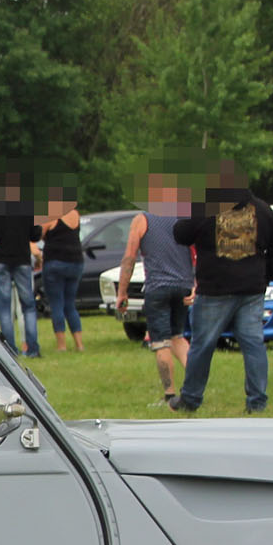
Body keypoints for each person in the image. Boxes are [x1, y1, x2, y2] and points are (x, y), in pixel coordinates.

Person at [169, 162, 273, 414]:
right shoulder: (262, 210)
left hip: (215, 290)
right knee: (253, 344)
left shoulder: (207, 210)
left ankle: (190, 399)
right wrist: (267, 276)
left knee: (202, 344)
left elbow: (180, 233)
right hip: (252, 289)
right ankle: (257, 402)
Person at [116, 173, 195, 406]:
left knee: (161, 342)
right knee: (179, 338)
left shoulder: (143, 219)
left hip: (158, 287)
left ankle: (170, 395)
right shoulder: (185, 218)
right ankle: (194, 388)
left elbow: (129, 257)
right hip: (183, 286)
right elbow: (196, 253)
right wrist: (195, 283)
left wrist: (122, 292)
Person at [0, 175, 42, 354]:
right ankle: (32, 348)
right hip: (22, 259)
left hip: (1, 259)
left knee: (5, 307)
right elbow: (36, 235)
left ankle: (9, 349)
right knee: (28, 305)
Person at [38, 183, 86, 352]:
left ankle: (62, 345)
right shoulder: (75, 214)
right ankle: (79, 344)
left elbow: (38, 234)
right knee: (70, 304)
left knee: (57, 304)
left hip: (55, 262)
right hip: (76, 262)